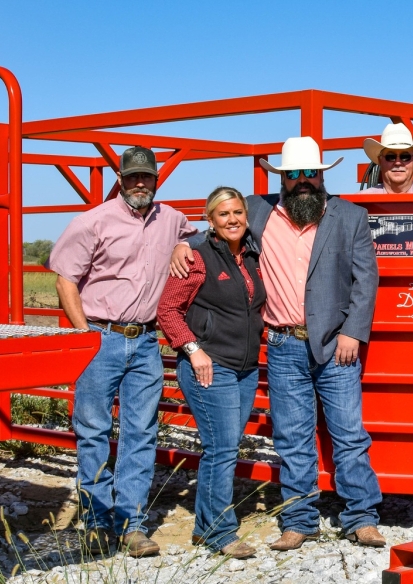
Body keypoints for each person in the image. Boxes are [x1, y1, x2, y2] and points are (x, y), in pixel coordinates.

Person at [170, 136, 385, 551]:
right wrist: (186, 242)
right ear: (282, 178)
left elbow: (366, 280)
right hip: (284, 345)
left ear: (322, 176)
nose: (303, 180)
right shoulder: (259, 209)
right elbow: (216, 226)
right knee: (292, 437)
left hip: (337, 345)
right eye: (294, 174)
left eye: (310, 173)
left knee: (349, 434)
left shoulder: (350, 216)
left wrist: (353, 332)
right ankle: (299, 520)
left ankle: (361, 516)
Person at [49, 146, 197, 558]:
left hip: (147, 340)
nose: (138, 183)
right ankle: (97, 522)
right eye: (131, 176)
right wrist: (85, 336)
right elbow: (65, 281)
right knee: (93, 430)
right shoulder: (92, 222)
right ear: (120, 178)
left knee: (141, 433)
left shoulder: (170, 219)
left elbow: (193, 234)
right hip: (102, 335)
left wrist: (183, 245)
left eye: (145, 177)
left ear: (155, 180)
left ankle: (131, 525)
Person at [156, 187, 264, 559]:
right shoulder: (197, 257)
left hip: (245, 367)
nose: (232, 219)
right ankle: (220, 532)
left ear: (246, 216)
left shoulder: (252, 255)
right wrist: (193, 349)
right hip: (209, 365)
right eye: (223, 214)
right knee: (221, 448)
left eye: (237, 212)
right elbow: (168, 310)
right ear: (210, 220)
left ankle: (205, 527)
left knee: (224, 447)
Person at [359, 122, 413, 194]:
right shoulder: (361, 204)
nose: (398, 162)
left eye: (405, 157)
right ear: (380, 161)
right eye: (390, 157)